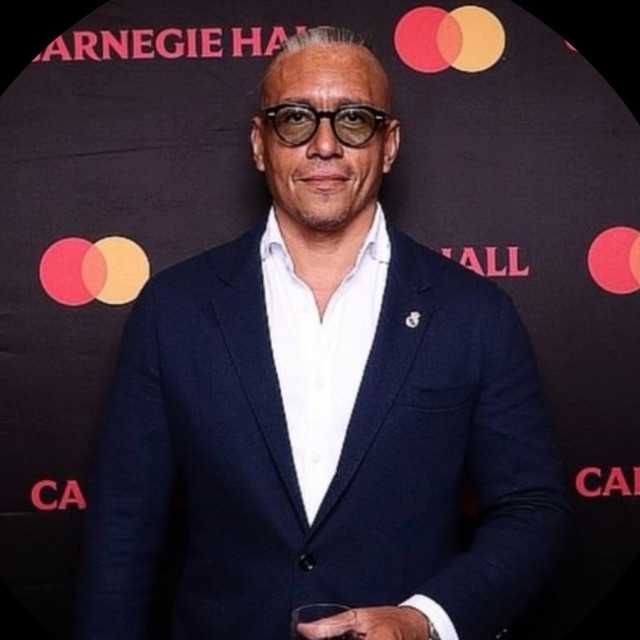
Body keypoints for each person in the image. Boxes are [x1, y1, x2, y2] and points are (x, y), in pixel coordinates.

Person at [74, 26, 571, 640]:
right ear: (260, 145)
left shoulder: (475, 314)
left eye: (354, 120)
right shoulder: (172, 310)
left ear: (389, 145)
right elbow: (122, 530)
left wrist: (423, 619)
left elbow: (531, 510)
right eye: (295, 119)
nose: (325, 145)